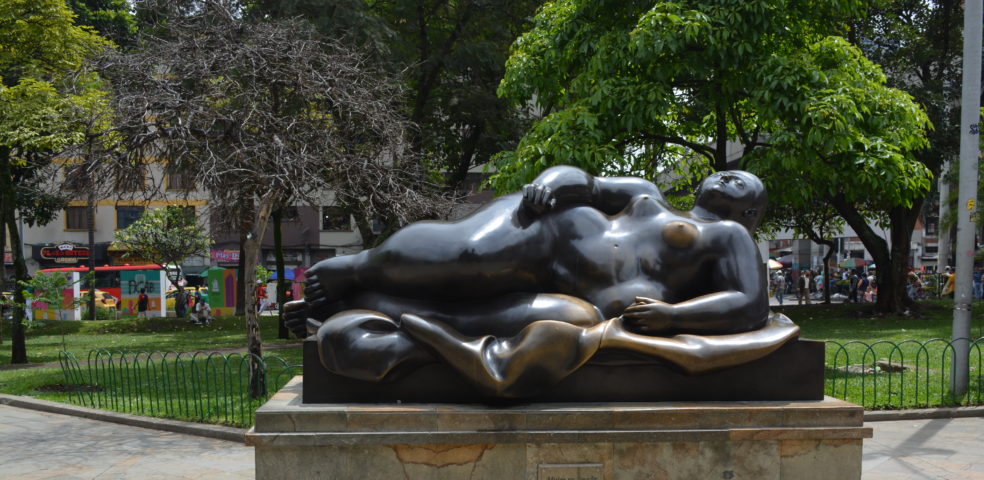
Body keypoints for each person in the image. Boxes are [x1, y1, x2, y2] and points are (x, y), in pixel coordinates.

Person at [285, 166, 796, 396]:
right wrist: (557, 177)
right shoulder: (646, 191)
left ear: (750, 210)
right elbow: (590, 184)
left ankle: (366, 304)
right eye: (727, 173)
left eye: (741, 183)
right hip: (546, 230)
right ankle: (356, 268)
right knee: (467, 255)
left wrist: (672, 316)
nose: (728, 177)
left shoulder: (729, 235)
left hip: (571, 293)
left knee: (558, 319)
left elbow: (749, 305)